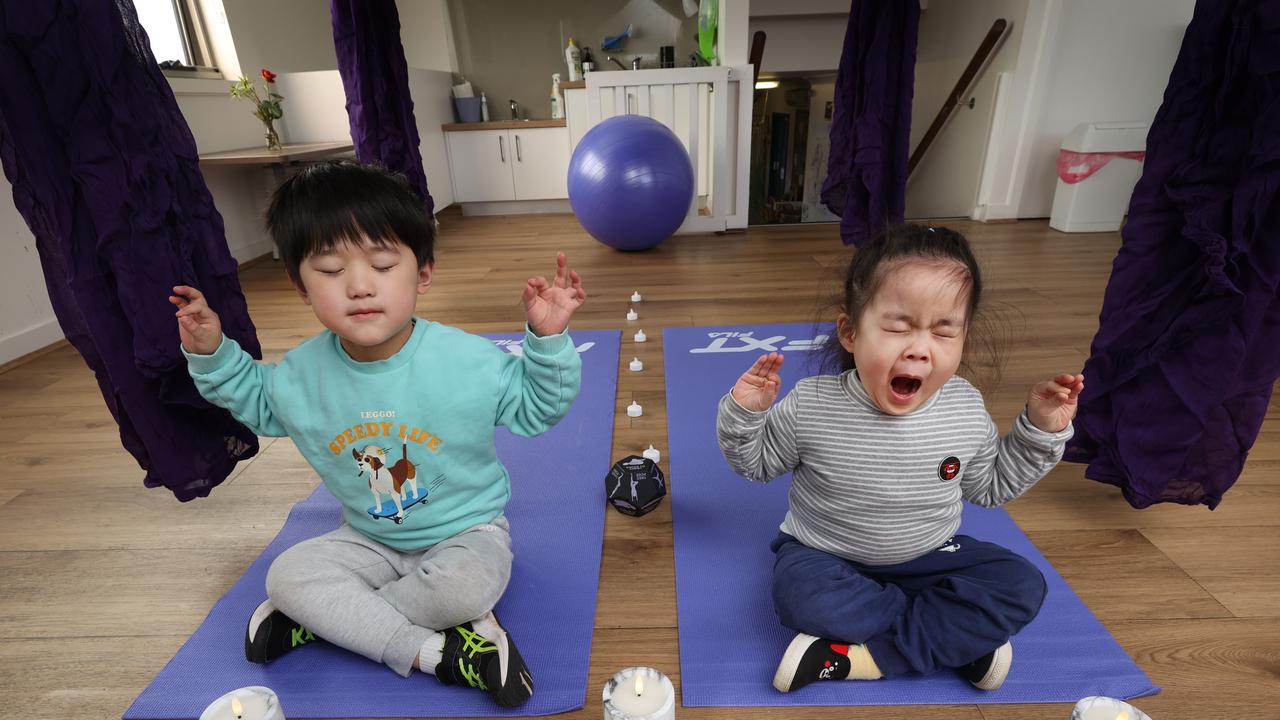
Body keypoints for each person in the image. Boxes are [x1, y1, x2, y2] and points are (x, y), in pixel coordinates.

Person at [169, 160, 586, 708]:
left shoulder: (466, 360)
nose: (360, 286)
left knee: (464, 587)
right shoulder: (302, 374)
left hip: (467, 533)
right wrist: (212, 354)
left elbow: (538, 409)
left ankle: (328, 623)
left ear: (424, 272)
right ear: (300, 285)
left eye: (384, 264)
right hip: (367, 540)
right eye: (330, 269)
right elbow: (257, 401)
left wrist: (547, 341)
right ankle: (442, 652)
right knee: (287, 577)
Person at [715, 223, 1083, 693]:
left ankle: (864, 658)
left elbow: (989, 488)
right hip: (825, 556)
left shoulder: (964, 407)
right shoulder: (813, 404)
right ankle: (956, 639)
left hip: (929, 558)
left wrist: (1040, 430)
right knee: (800, 598)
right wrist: (745, 413)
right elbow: (756, 464)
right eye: (897, 326)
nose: (919, 349)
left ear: (964, 337)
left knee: (1022, 584)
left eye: (944, 331)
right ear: (850, 331)